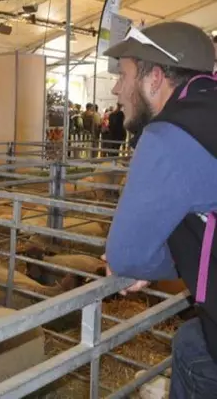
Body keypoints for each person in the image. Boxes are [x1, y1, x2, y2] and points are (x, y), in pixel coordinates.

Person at [100, 21, 217, 398]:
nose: (117, 88)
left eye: (124, 74)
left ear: (154, 78)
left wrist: (147, 266)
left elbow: (127, 255)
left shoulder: (170, 135)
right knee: (192, 343)